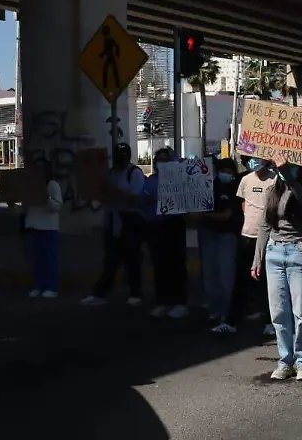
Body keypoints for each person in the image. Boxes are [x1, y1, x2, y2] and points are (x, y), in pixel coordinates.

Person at [253, 162, 302, 381]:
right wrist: (257, 259)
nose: (281, 170)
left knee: (301, 313)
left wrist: (286, 173)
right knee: (279, 313)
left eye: (289, 167)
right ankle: (285, 360)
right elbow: (264, 225)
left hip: (299, 251)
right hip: (274, 253)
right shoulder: (272, 191)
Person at [83, 142, 147, 306]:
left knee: (132, 257)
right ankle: (100, 293)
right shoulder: (111, 173)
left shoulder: (134, 173)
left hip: (130, 219)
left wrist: (111, 189)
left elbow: (134, 199)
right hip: (113, 218)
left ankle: (135, 292)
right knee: (111, 258)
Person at [141, 148, 190, 320]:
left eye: (165, 160)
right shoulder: (151, 180)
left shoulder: (178, 179)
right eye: (158, 161)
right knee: (159, 264)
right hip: (155, 225)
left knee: (176, 264)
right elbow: (141, 199)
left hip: (173, 224)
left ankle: (180, 303)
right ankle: (162, 301)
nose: (161, 164)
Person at [197, 157, 244, 333]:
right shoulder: (206, 186)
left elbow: (226, 215)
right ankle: (214, 310)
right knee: (210, 274)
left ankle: (227, 314)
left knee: (226, 276)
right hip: (208, 233)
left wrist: (203, 216)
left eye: (227, 171)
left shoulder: (233, 187)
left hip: (226, 235)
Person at [233, 157, 277, 334]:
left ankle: (269, 321)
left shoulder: (274, 179)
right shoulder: (245, 180)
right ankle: (232, 321)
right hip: (247, 236)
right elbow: (244, 204)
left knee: (266, 282)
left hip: (267, 237)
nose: (254, 161)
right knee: (241, 279)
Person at [7, 170, 62, 298]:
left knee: (49, 259)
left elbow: (58, 206)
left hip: (48, 228)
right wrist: (12, 206)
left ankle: (51, 287)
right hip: (32, 227)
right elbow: (24, 210)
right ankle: (38, 286)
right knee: (36, 260)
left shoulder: (52, 185)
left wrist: (46, 199)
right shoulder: (28, 187)